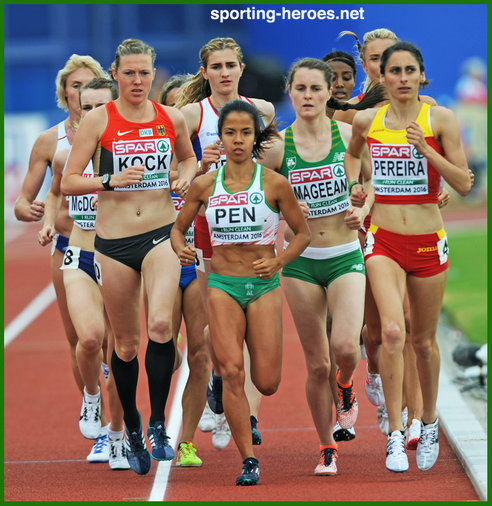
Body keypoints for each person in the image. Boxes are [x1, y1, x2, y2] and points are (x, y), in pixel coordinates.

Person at [61, 38, 198, 476]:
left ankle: (158, 421)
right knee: (125, 344)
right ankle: (132, 426)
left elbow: (189, 159)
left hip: (160, 234)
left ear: (153, 74)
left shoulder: (170, 117)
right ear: (116, 73)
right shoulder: (99, 120)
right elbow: (68, 181)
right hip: (114, 243)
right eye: (129, 73)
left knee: (160, 326)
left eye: (144, 73)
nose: (137, 81)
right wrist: (110, 179)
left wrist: (185, 178)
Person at [344, 41, 472, 473]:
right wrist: (356, 186)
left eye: (408, 70)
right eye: (393, 70)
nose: (400, 77)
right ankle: (396, 433)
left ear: (421, 76)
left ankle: (429, 419)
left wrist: (428, 150)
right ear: (382, 77)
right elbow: (352, 152)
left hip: (426, 240)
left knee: (423, 340)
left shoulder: (441, 119)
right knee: (393, 333)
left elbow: (464, 182)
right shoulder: (368, 118)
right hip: (382, 239)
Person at [171, 99, 310, 485]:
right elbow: (177, 229)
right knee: (232, 371)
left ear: (256, 137)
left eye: (245, 133)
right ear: (221, 136)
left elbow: (303, 234)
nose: (236, 140)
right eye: (229, 132)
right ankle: (248, 459)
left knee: (266, 382)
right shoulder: (205, 184)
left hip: (263, 286)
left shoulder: (274, 183)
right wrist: (180, 247)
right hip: (222, 285)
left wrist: (279, 263)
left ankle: (232, 388)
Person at [258, 58, 372, 476]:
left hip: (344, 255)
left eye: (315, 89)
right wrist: (285, 211)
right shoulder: (275, 147)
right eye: (300, 89)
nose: (307, 96)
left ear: (329, 93)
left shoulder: (347, 135)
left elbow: (369, 183)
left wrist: (364, 207)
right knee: (317, 362)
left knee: (344, 348)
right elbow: (256, 201)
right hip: (301, 263)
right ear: (290, 92)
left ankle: (347, 387)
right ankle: (327, 446)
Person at [176, 37, 275, 449]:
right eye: (216, 66)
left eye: (231, 65)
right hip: (208, 232)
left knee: (251, 328)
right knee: (215, 328)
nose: (224, 73)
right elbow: (174, 177)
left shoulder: (262, 111)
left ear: (240, 69)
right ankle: (222, 377)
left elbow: (274, 162)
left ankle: (245, 415)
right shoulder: (189, 116)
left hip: (252, 230)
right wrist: (202, 165)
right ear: (204, 73)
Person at [42, 77, 129, 470]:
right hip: (80, 253)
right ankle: (92, 397)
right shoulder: (66, 157)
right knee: (89, 340)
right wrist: (53, 222)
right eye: (86, 106)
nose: (92, 113)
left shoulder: (131, 153)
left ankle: (118, 436)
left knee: (124, 350)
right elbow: (58, 200)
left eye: (100, 107)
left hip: (121, 257)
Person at [17, 55, 106, 404]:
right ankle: (94, 410)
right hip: (69, 243)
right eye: (76, 86)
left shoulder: (120, 136)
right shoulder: (49, 142)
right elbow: (24, 202)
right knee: (80, 338)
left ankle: (118, 425)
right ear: (65, 93)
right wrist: (33, 211)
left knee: (115, 341)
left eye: (90, 86)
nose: (83, 94)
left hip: (113, 245)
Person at [160, 75, 210, 467]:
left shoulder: (209, 160)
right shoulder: (154, 157)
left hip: (198, 260)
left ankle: (187, 442)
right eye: (173, 110)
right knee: (163, 345)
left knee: (201, 350)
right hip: (161, 260)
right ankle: (157, 425)